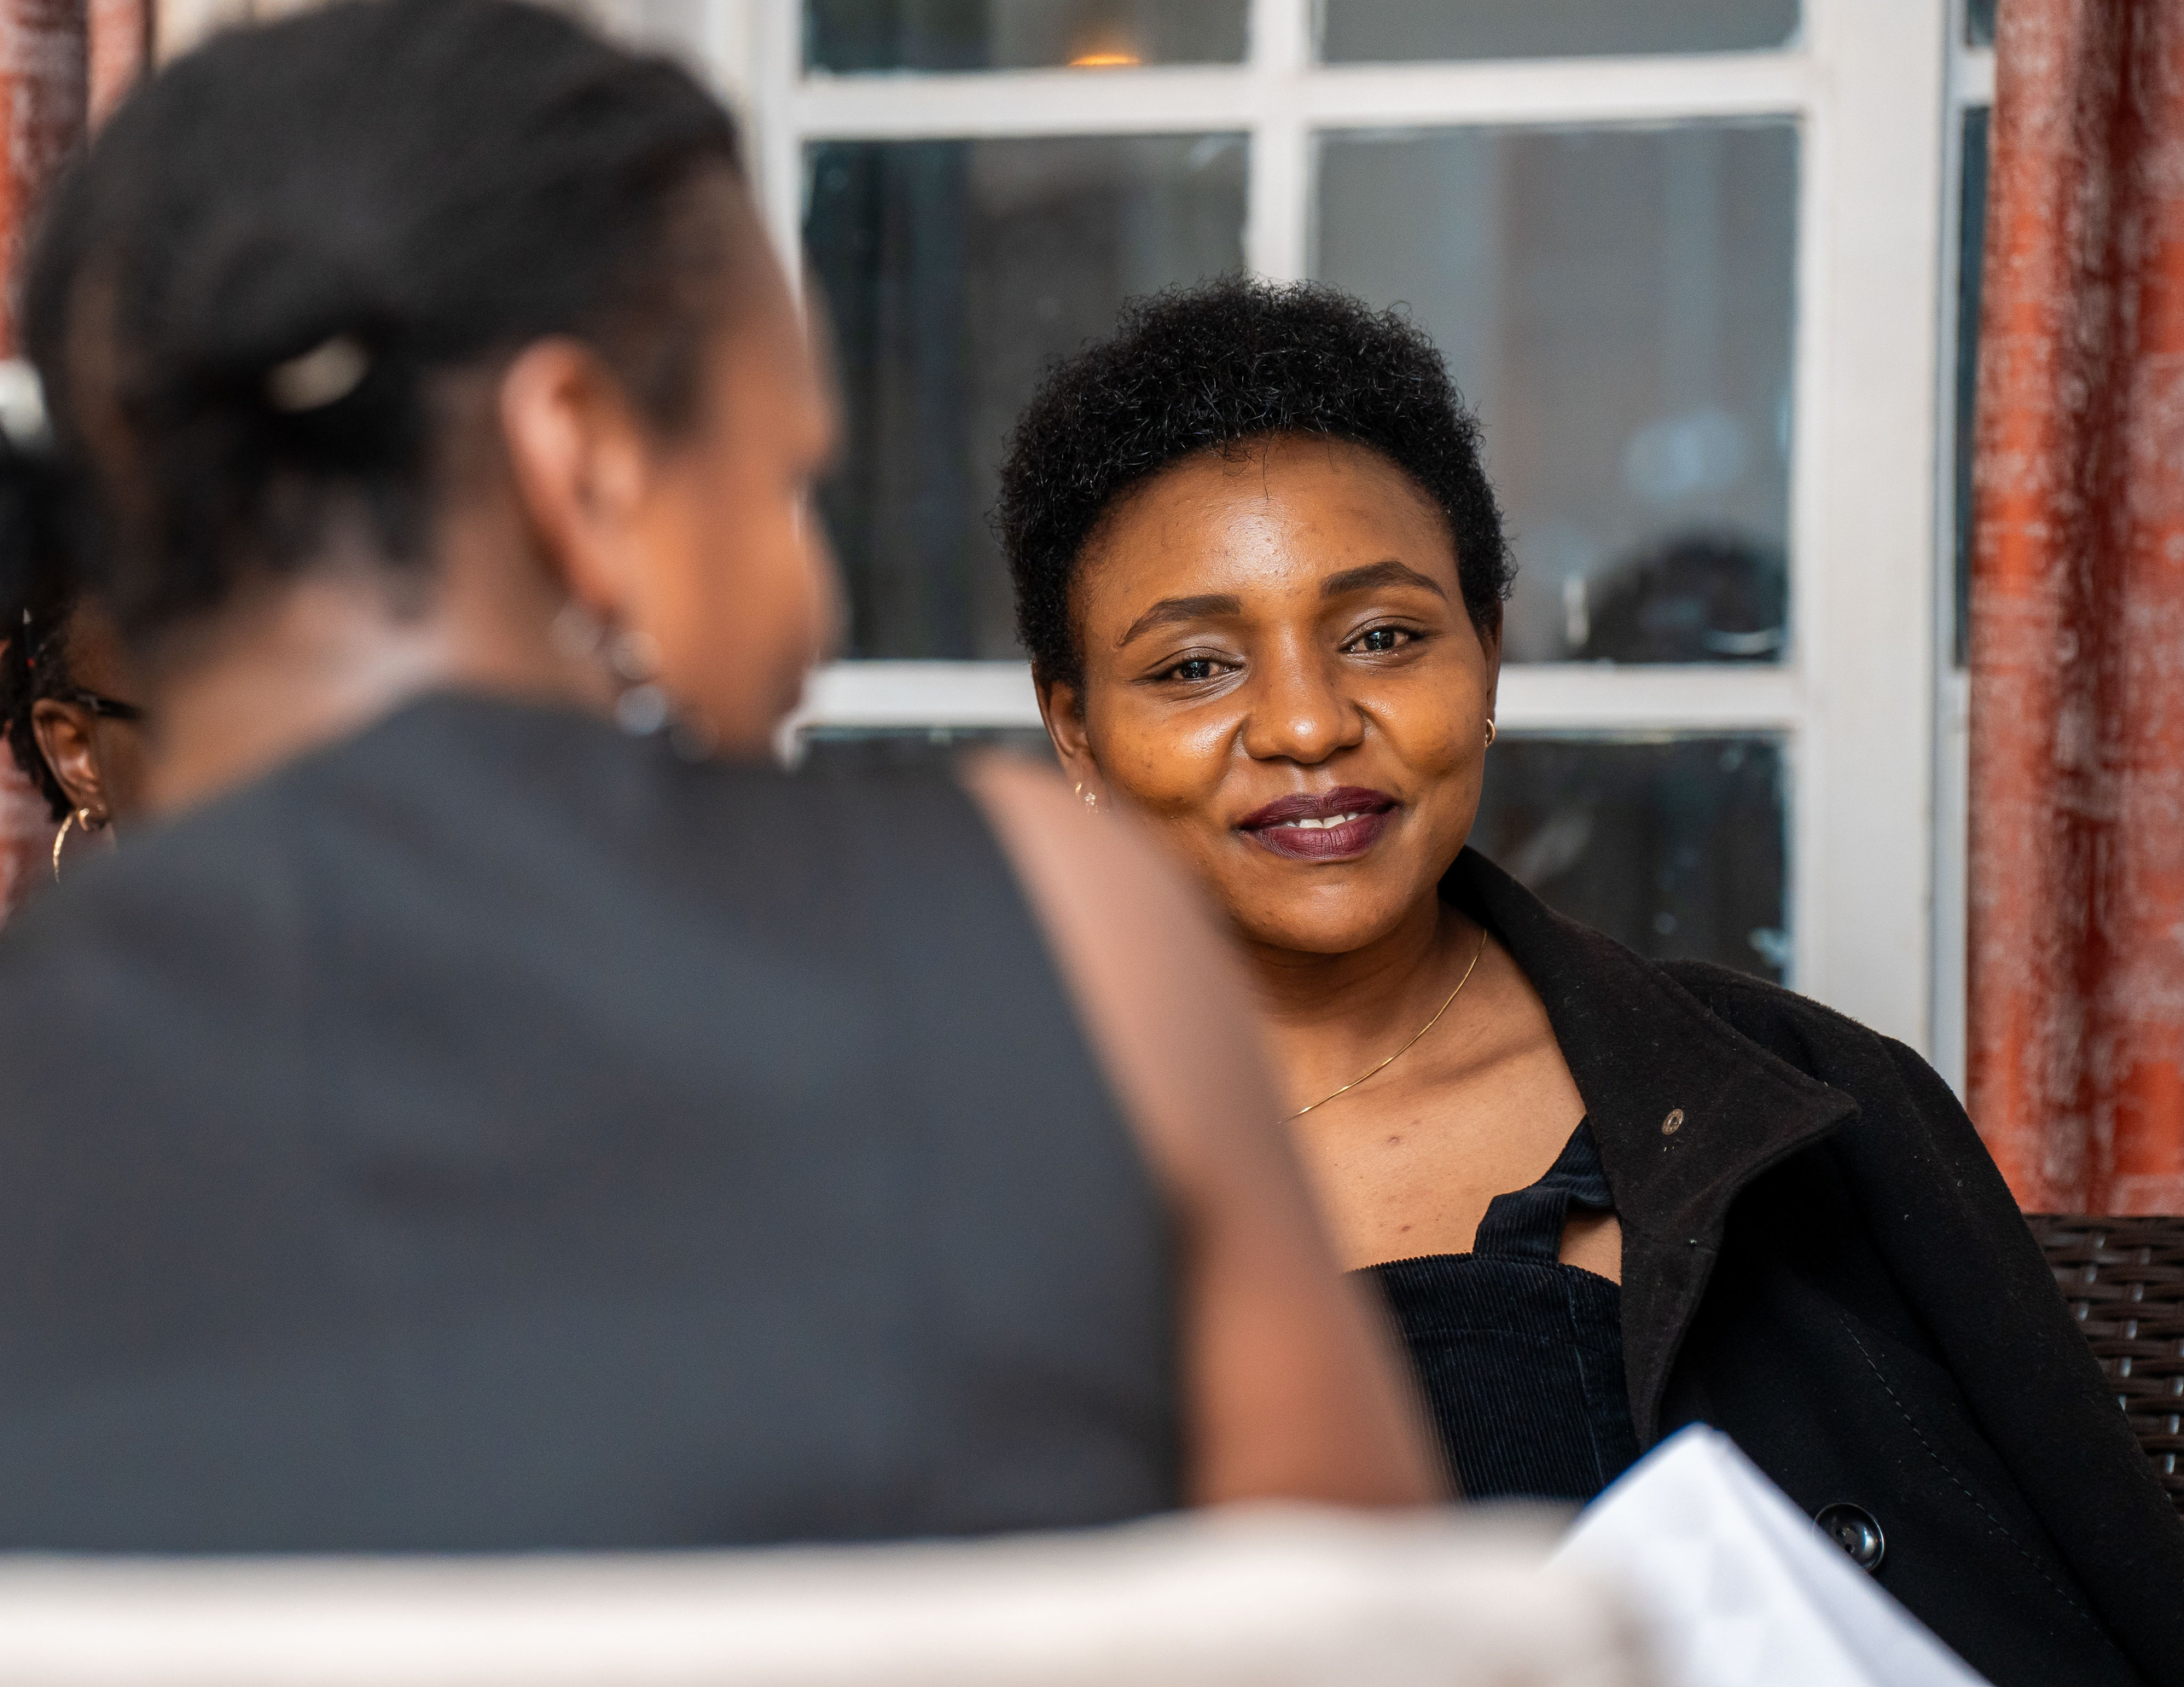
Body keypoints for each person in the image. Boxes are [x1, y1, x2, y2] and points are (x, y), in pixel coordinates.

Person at [0, 3, 1439, 1549]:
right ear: (588, 459)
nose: (814, 607)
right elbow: (1390, 1640)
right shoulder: (1056, 937)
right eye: (780, 484)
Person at [995, 276, 2184, 1687]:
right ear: (1074, 729)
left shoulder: (1804, 1106)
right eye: (1194, 665)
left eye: (1384, 635)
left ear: (1489, 649)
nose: (1310, 723)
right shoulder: (944, 1182)